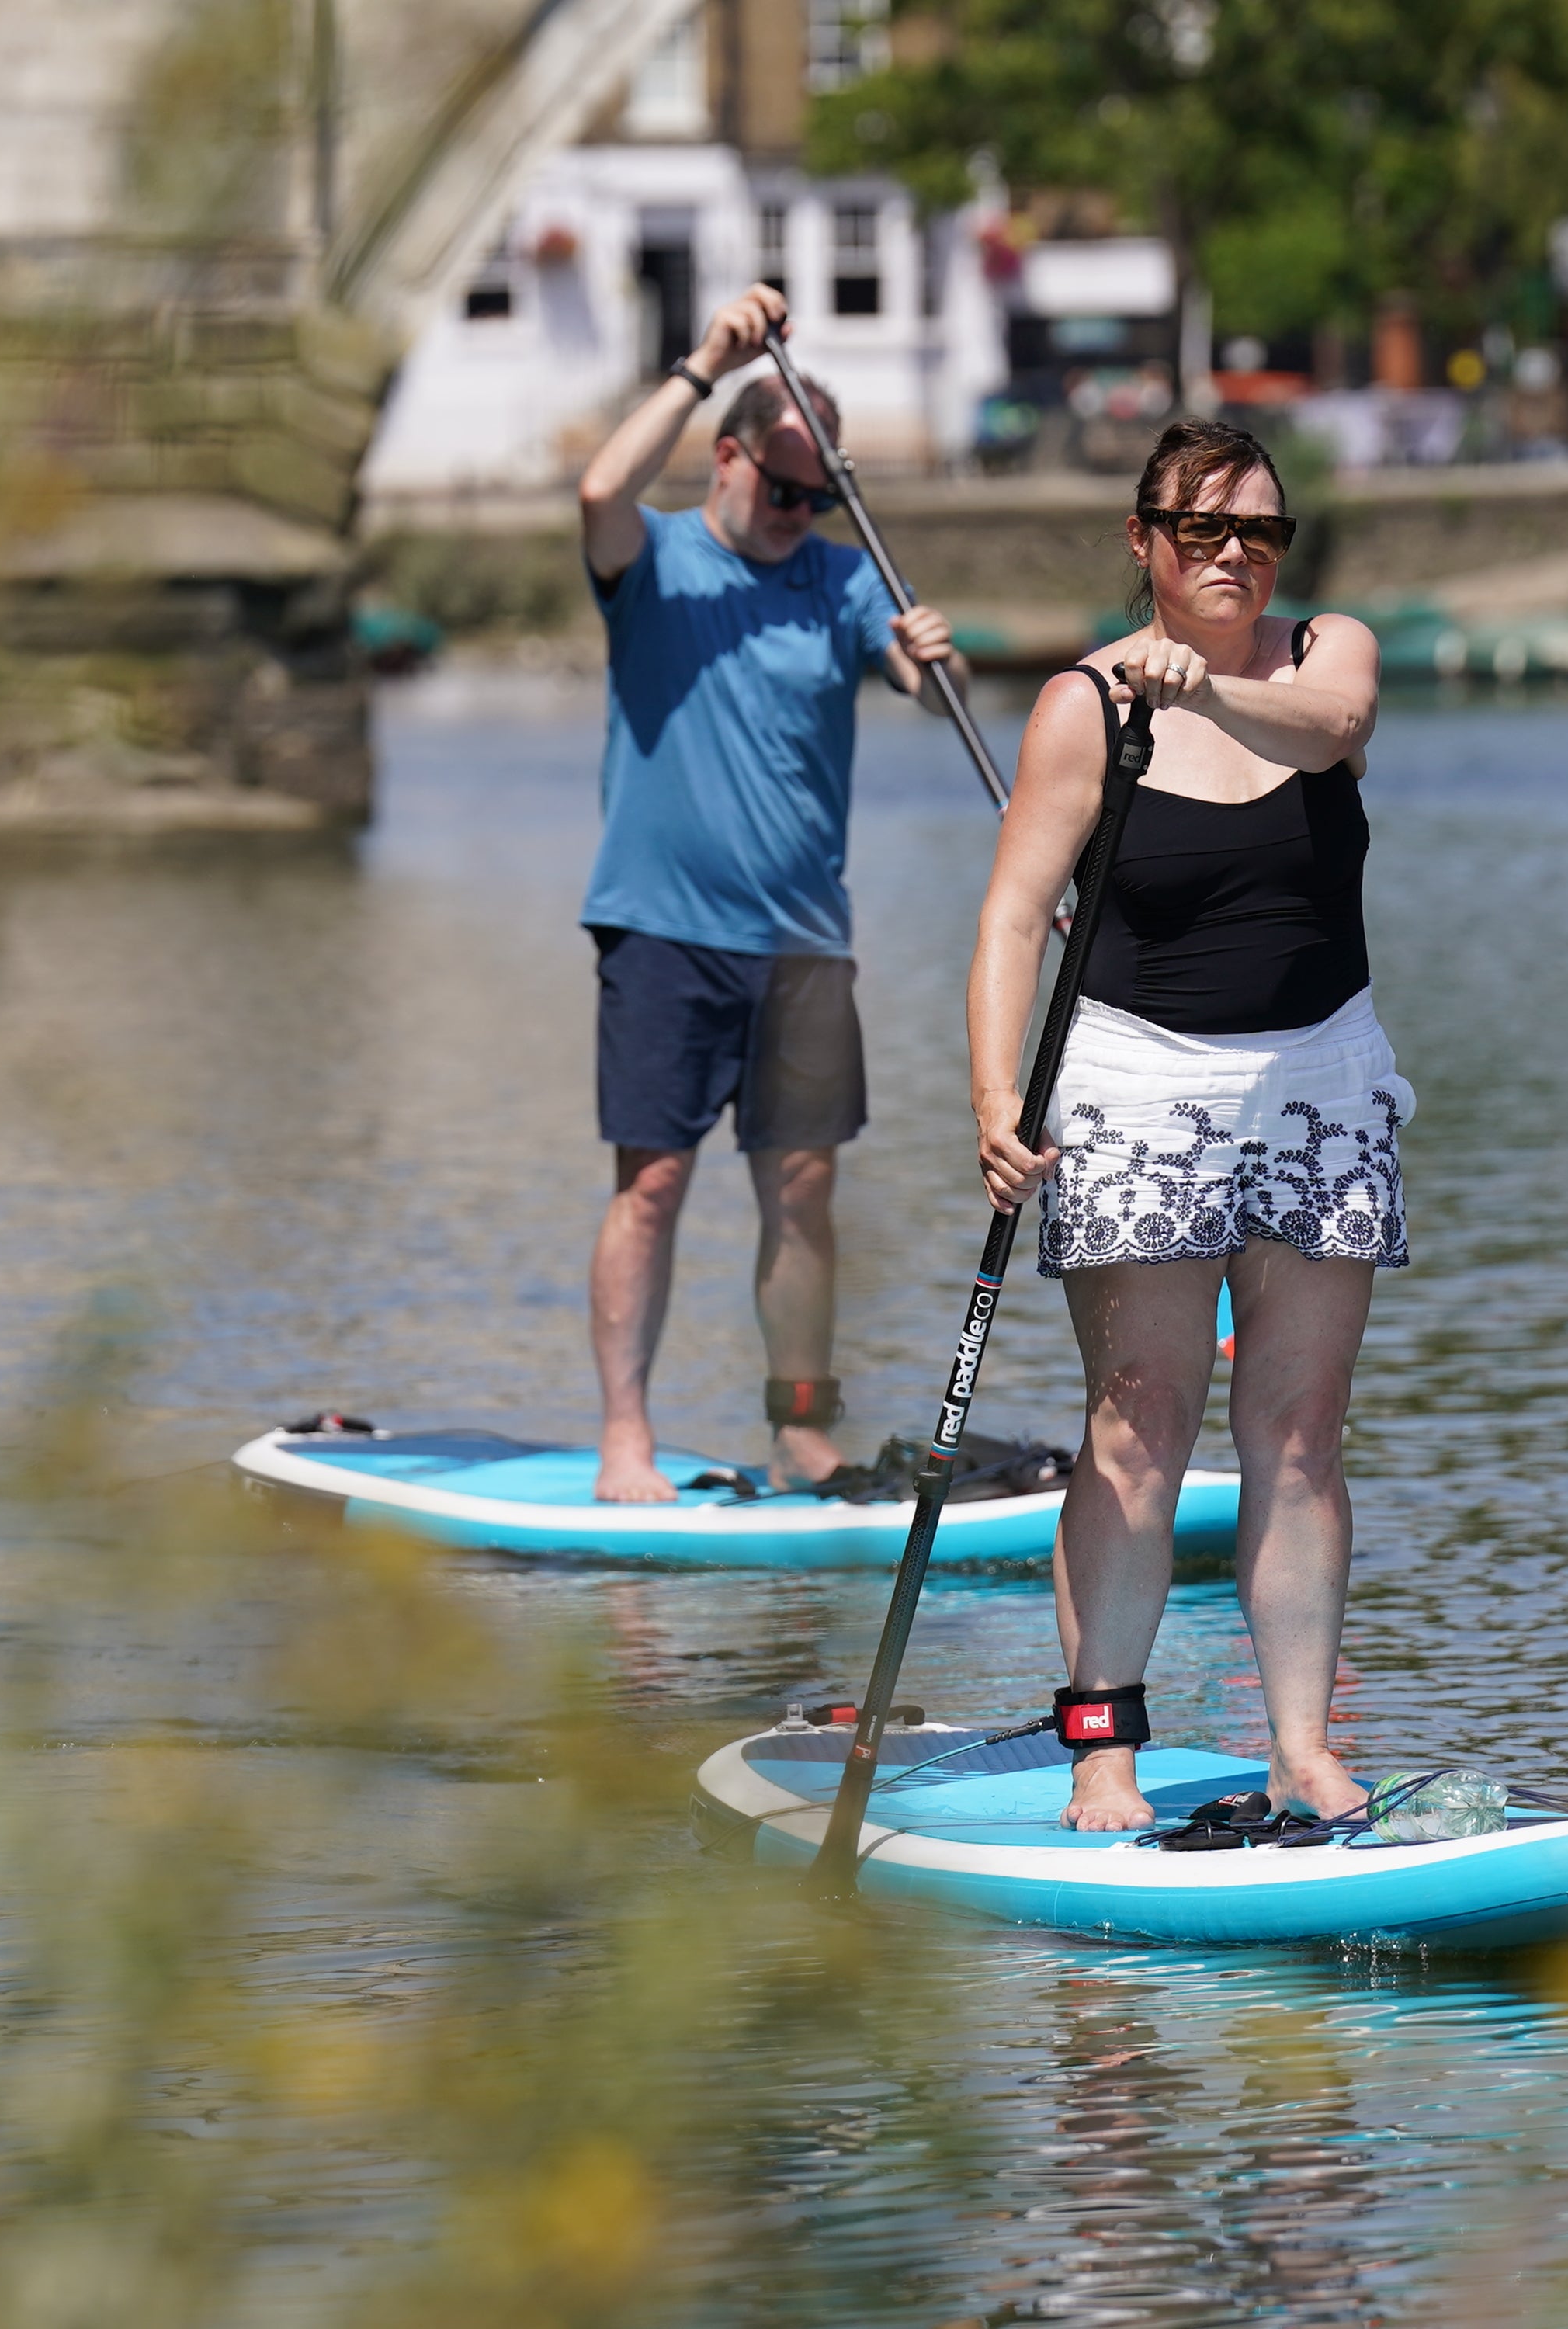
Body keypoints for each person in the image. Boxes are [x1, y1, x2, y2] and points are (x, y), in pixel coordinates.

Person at [970, 416, 1396, 1831]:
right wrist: (990, 1096)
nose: (1234, 557)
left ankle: (1301, 1753)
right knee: (1141, 1422)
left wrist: (1207, 686)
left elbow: (1332, 733)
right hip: (1139, 1078)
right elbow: (1016, 914)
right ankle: (1102, 1747)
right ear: (1144, 545)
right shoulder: (1087, 707)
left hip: (1323, 1073)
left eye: (1259, 533)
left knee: (1299, 1429)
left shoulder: (1324, 652)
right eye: (1203, 533)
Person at [575, 281, 966, 1502]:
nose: (801, 513)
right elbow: (598, 491)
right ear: (730, 459)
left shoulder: (841, 580)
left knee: (803, 1192)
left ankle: (801, 1429)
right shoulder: (657, 562)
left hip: (805, 941)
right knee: (653, 1187)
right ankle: (625, 1439)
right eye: (783, 488)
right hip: (664, 929)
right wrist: (705, 360)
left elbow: (902, 667)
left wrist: (924, 651)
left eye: (820, 494)